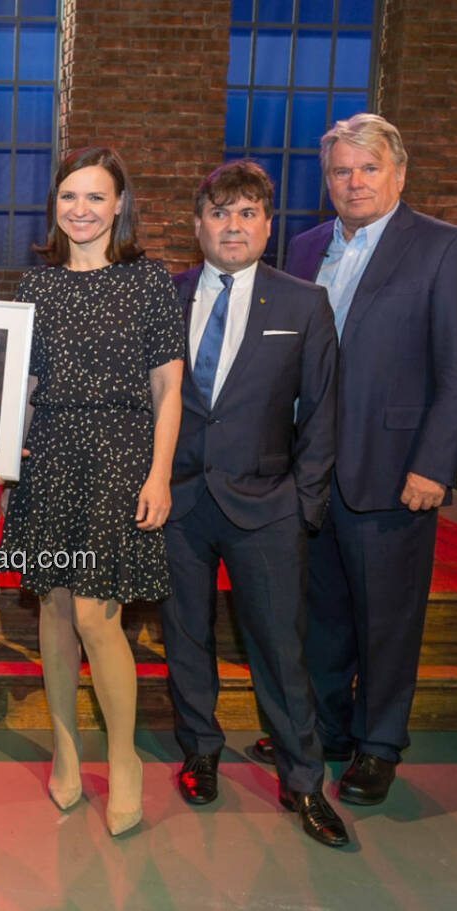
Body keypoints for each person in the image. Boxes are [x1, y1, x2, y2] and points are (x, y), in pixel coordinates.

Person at [250, 114, 457, 805]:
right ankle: (325, 727)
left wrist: (435, 466)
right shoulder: (303, 247)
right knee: (319, 611)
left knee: (386, 617)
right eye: (340, 171)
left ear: (399, 173)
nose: (353, 182)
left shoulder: (445, 249)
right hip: (310, 469)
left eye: (368, 168)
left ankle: (379, 744)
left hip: (394, 468)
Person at [159, 160, 348, 847]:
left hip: (267, 505)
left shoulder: (304, 304)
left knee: (279, 648)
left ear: (268, 225)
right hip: (178, 501)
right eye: (218, 212)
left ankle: (304, 781)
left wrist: (303, 505)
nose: (231, 226)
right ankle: (200, 750)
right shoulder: (165, 295)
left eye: (246, 214)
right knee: (186, 635)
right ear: (198, 223)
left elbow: (323, 416)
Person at [0, 146, 184, 836]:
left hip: (119, 457)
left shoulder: (148, 281)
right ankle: (66, 748)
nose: (81, 209)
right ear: (56, 206)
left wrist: (160, 472)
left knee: (95, 616)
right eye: (69, 197)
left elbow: (168, 386)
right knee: (52, 607)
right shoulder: (35, 288)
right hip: (49, 455)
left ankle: (125, 757)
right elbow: (26, 385)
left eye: (96, 197)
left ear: (119, 206)